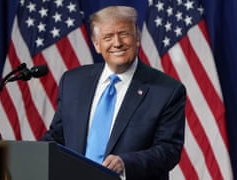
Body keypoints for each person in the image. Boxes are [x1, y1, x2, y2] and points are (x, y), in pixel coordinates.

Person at [41, 5, 186, 180]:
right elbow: (57, 137)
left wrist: (125, 163)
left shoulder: (166, 91)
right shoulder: (73, 82)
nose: (117, 43)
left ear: (137, 39)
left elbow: (168, 150)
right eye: (108, 37)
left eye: (124, 34)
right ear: (97, 45)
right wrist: (28, 157)